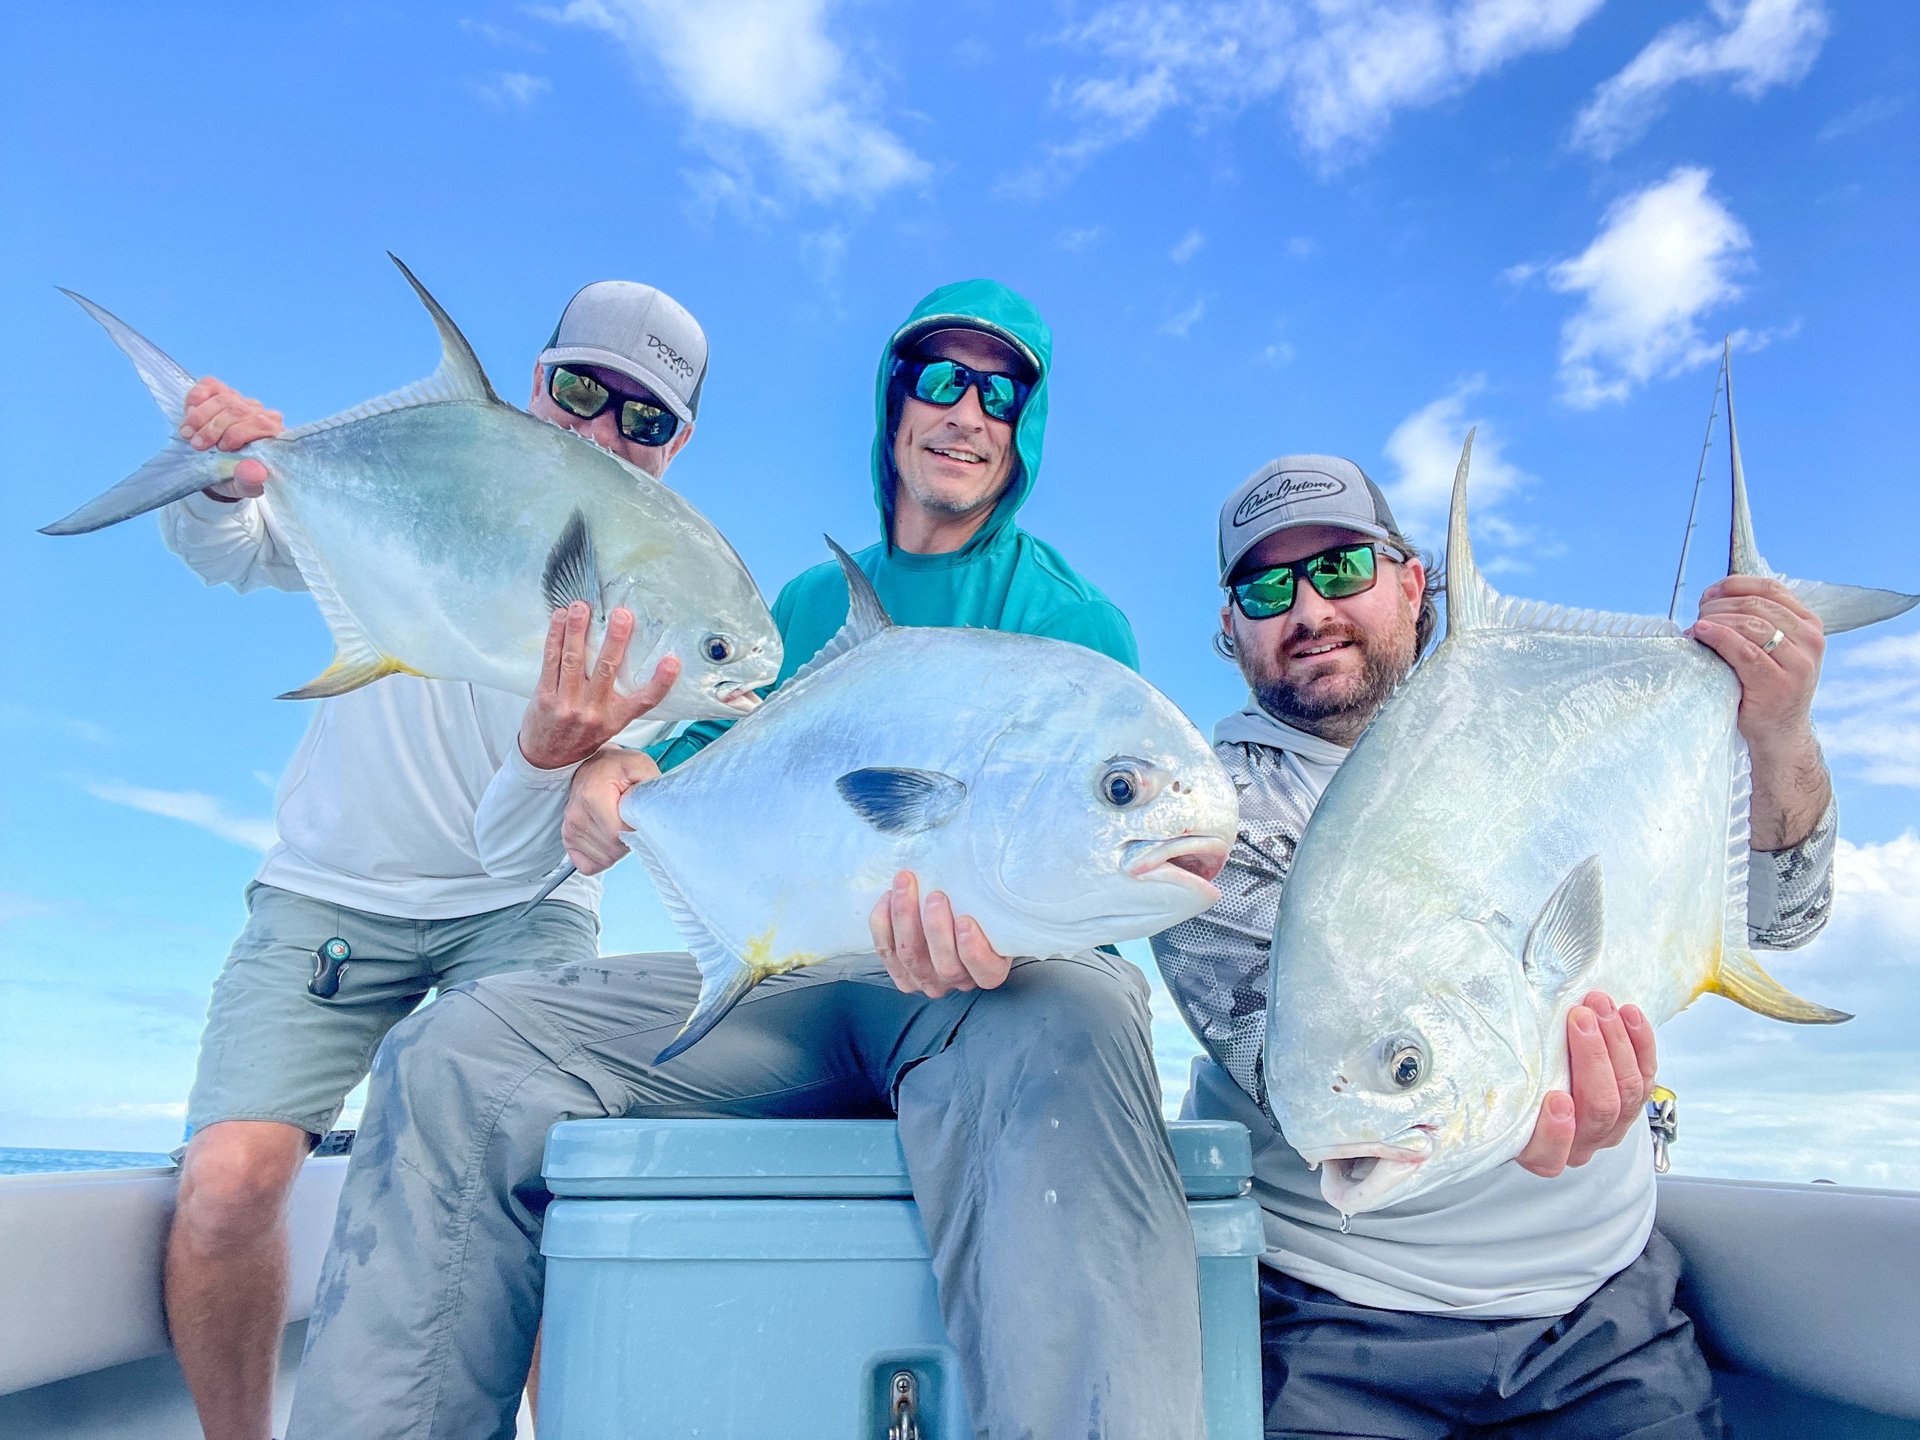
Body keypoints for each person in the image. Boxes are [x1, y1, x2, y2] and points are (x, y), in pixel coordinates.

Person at [283, 280, 1198, 1440]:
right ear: (894, 402)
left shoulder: (1078, 623)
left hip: (1000, 993)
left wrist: (1004, 943)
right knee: (457, 1051)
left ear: (1027, 427)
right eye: (939, 379)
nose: (966, 412)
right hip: (802, 987)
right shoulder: (812, 602)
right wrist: (615, 782)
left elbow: (1098, 878)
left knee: (1084, 1021)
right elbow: (699, 776)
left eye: (1000, 391)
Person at [1150, 455, 1836, 1438]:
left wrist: (1778, 737)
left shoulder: (1557, 724)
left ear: (1414, 580)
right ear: (1229, 627)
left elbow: (1784, 921)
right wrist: (1515, 1104)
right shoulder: (1199, 815)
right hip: (1323, 1321)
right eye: (1265, 587)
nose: (1307, 608)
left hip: (1601, 1318)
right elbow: (1314, 1081)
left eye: (1341, 568)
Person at [156, 278, 707, 1440]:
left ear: (676, 444)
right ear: (534, 381)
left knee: (560, 1193)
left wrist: (565, 757)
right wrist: (221, 477)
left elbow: (563, 823)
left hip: (522, 907)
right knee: (227, 1188)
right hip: (333, 889)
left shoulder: (672, 592)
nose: (604, 432)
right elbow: (233, 551)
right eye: (579, 392)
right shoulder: (434, 474)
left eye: (643, 419)